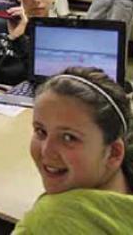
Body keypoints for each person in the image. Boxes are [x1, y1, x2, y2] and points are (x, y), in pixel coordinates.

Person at [13, 67, 133, 234]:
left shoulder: (49, 220)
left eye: (69, 137)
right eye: (41, 131)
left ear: (114, 153)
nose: (47, 151)